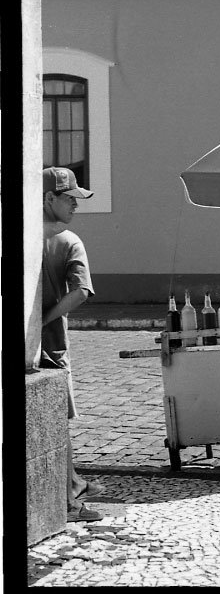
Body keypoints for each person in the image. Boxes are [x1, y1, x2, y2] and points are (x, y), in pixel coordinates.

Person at [41, 166, 103, 522]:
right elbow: (81, 291)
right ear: (49, 198)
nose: (76, 205)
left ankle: (75, 482)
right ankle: (69, 502)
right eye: (70, 198)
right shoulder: (67, 241)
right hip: (51, 345)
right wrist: (46, 319)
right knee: (57, 424)